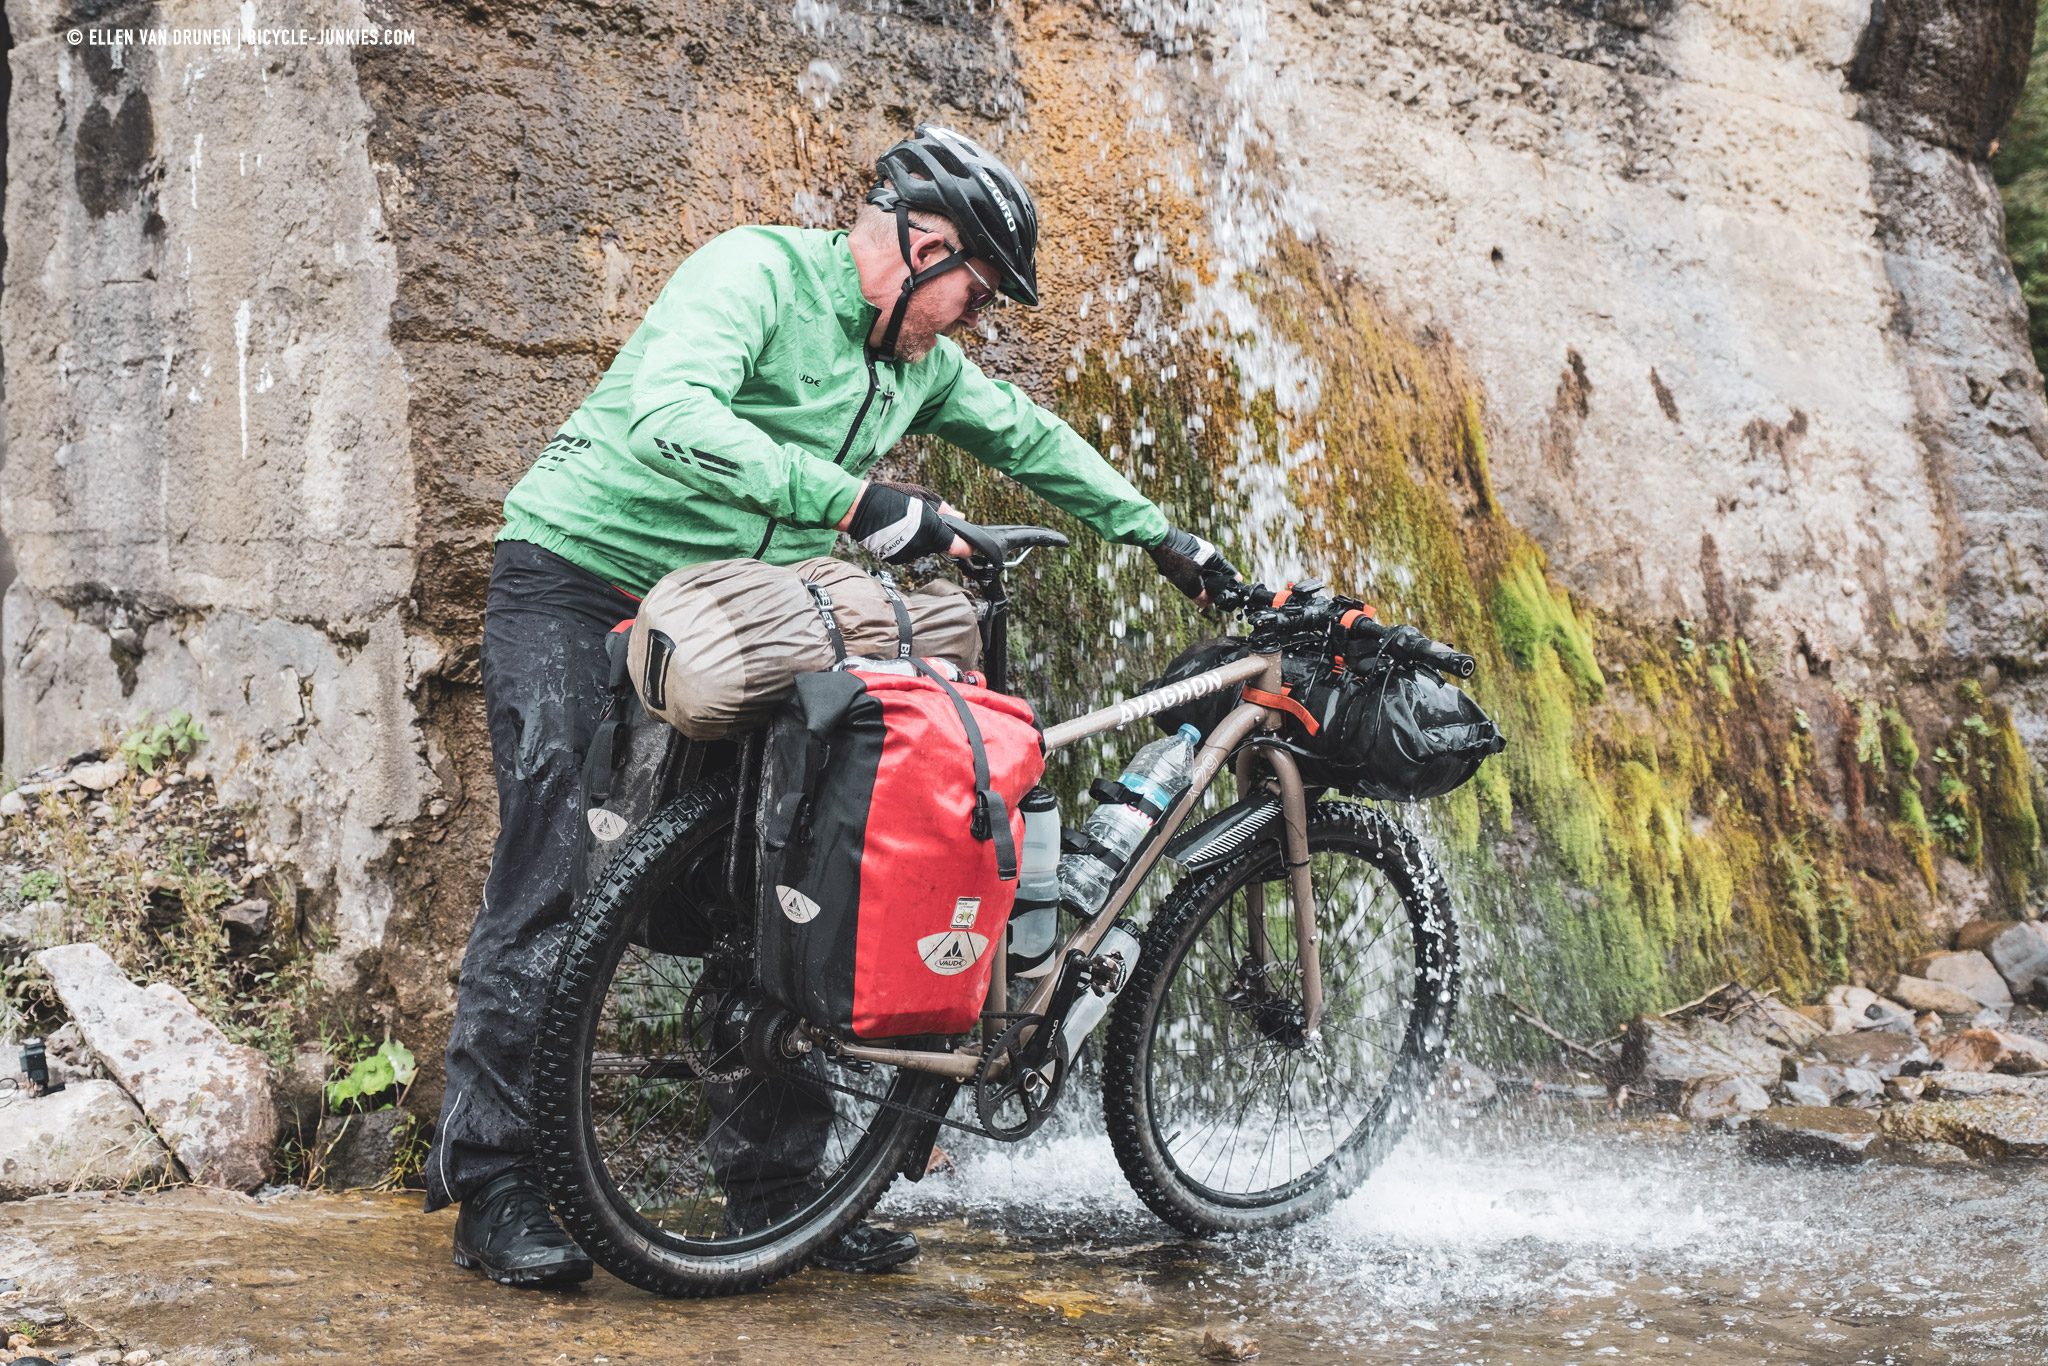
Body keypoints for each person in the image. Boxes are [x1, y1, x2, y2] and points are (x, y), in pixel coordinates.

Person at [426, 123, 1242, 1288]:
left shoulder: (915, 365)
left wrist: (1165, 539)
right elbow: (672, 412)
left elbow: (1029, 437)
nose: (973, 318)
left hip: (744, 612)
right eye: (974, 289)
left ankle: (777, 1187)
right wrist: (855, 503)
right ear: (924, 241)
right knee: (549, 864)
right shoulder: (754, 272)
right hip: (578, 574)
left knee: (784, 878)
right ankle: (494, 1181)